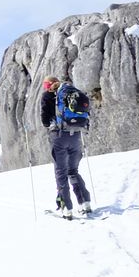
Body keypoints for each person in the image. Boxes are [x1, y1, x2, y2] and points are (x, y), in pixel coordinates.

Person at [39, 75, 93, 216]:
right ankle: (85, 203)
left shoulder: (47, 96)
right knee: (73, 171)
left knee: (61, 173)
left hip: (59, 137)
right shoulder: (69, 91)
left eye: (46, 85)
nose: (45, 88)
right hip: (76, 135)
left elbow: (45, 120)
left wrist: (51, 122)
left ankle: (66, 208)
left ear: (49, 85)